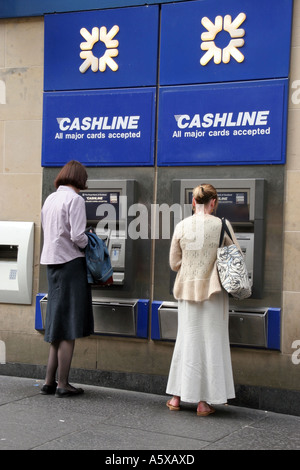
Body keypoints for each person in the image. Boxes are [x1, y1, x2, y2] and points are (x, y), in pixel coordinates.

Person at [166, 183, 240, 416]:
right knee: (211, 344)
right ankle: (203, 402)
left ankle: (176, 397)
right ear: (214, 202)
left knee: (187, 342)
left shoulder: (182, 225)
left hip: (187, 292)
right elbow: (235, 256)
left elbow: (174, 263)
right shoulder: (222, 225)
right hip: (213, 293)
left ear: (193, 203)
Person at [40, 160, 94, 398]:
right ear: (79, 179)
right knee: (69, 325)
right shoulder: (75, 200)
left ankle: (49, 382)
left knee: (58, 324)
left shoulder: (50, 199)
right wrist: (90, 241)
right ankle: (63, 384)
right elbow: (77, 235)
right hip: (70, 264)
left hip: (52, 263)